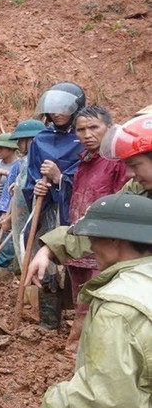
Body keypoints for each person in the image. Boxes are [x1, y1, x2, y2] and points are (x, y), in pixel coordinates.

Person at [36, 193, 152, 408]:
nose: (91, 248)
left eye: (94, 239)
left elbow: (109, 398)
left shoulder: (120, 306)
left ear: (115, 240)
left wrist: (56, 401)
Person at [27, 112, 152, 284]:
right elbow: (105, 222)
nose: (129, 174)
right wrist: (49, 248)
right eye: (81, 129)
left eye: (135, 165)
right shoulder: (137, 189)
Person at [61, 106, 129, 341]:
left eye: (93, 127)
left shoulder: (117, 163)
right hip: (79, 241)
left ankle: (84, 346)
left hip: (104, 246)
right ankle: (78, 344)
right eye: (81, 129)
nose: (87, 134)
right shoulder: (83, 162)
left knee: (98, 300)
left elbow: (122, 203)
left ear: (109, 128)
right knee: (80, 298)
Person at [24, 82, 87, 330]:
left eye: (63, 108)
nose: (57, 113)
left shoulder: (83, 137)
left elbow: (87, 175)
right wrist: (36, 188)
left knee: (81, 261)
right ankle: (49, 321)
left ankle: (81, 322)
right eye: (53, 109)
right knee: (47, 263)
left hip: (77, 210)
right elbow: (31, 176)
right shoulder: (40, 139)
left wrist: (62, 178)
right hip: (49, 209)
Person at [0, 119, 45, 289]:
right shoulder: (23, 164)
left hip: (39, 219)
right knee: (20, 251)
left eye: (21, 141)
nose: (19, 145)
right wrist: (9, 215)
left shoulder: (41, 162)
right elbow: (15, 195)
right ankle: (22, 288)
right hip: (22, 218)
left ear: (32, 140)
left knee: (23, 253)